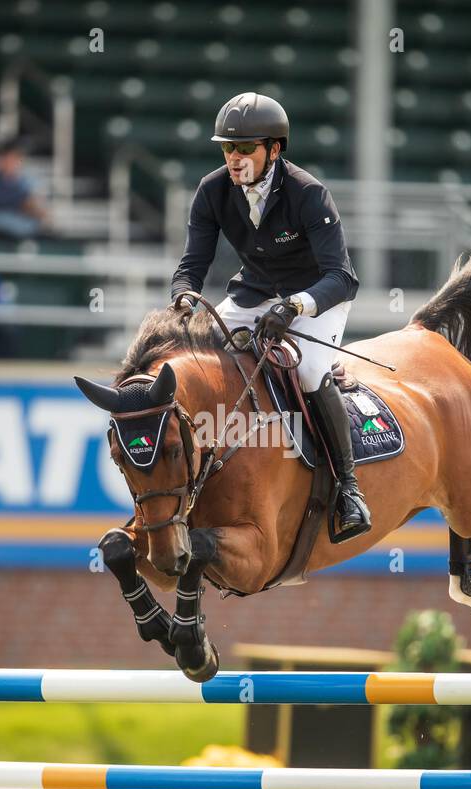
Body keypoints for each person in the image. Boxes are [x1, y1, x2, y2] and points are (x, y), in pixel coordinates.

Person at [170, 92, 370, 541]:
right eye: (227, 148)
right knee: (200, 356)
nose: (234, 159)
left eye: (245, 149)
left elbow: (342, 277)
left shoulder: (309, 194)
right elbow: (192, 265)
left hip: (319, 297)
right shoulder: (212, 190)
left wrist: (296, 306)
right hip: (256, 292)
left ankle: (348, 488)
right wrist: (183, 297)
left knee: (310, 370)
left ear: (274, 148)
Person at [0, 139, 52, 240]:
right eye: (6, 158)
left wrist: (29, 205)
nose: (9, 163)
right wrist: (21, 201)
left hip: (22, 234)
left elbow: (39, 210)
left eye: (13, 158)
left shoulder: (30, 181)